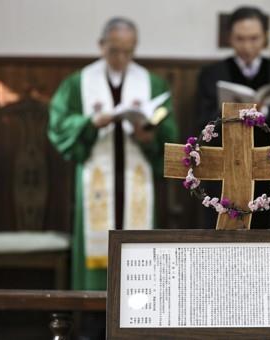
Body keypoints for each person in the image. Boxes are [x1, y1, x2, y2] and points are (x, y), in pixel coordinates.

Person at [48, 17, 179, 292]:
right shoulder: (78, 83)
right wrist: (90, 123)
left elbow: (168, 129)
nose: (122, 57)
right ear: (101, 45)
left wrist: (150, 135)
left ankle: (138, 319)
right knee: (97, 237)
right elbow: (59, 125)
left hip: (136, 175)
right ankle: (92, 322)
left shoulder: (151, 83)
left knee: (137, 247)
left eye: (129, 51)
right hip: (97, 175)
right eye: (114, 50)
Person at [197, 6, 270, 228]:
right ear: (230, 38)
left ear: (265, 37)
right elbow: (202, 123)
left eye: (254, 38)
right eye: (240, 39)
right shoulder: (212, 75)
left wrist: (265, 112)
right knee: (228, 231)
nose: (247, 46)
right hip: (228, 168)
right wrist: (232, 114)